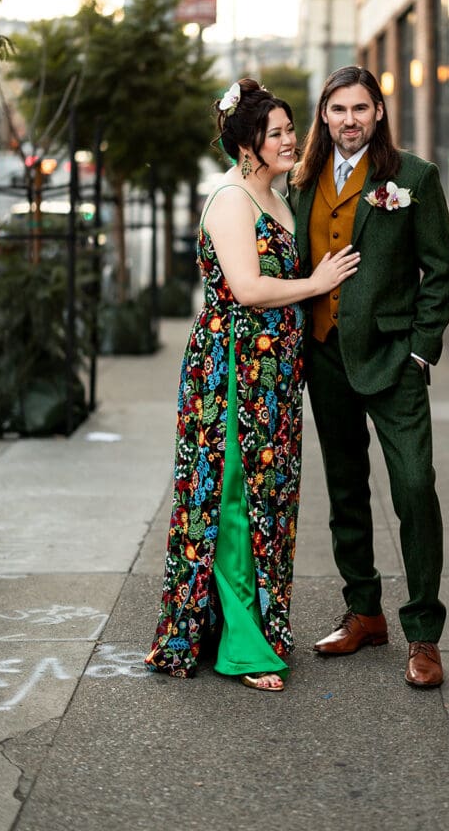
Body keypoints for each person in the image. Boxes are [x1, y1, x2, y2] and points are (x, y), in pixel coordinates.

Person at [145, 77, 359, 691]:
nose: (291, 140)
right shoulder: (232, 200)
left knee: (271, 498)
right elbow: (246, 288)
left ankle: (246, 626)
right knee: (234, 499)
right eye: (277, 133)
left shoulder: (276, 194)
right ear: (247, 145)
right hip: (232, 371)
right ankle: (243, 646)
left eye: (291, 129)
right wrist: (316, 285)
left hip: (273, 376)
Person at [290, 65, 449, 689]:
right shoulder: (302, 180)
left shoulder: (413, 178)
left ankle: (424, 634)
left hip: (393, 359)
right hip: (324, 356)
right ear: (324, 115)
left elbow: (440, 271)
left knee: (414, 487)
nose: (349, 120)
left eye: (360, 108)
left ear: (378, 113)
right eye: (338, 109)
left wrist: (421, 351)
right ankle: (364, 612)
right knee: (345, 490)